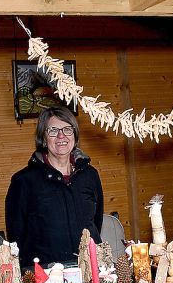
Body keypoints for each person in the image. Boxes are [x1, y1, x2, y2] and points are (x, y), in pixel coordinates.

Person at [6, 106, 104, 269]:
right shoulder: (23, 181)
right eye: (53, 130)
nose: (61, 136)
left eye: (67, 129)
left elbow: (96, 221)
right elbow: (16, 237)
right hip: (46, 274)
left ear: (75, 136)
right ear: (43, 138)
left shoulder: (90, 175)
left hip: (88, 268)